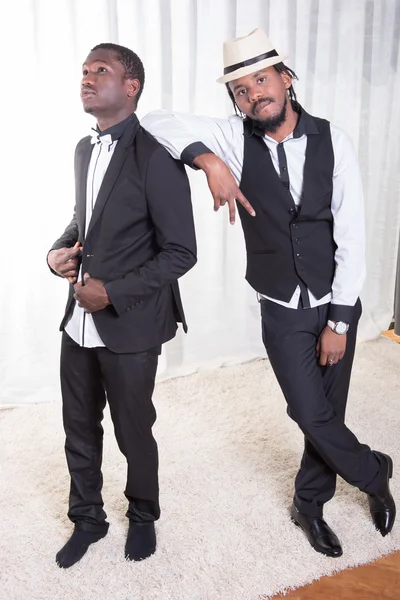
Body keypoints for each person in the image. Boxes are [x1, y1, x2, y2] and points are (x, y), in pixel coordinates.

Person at [141, 28, 396, 557]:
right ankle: (375, 471)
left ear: (286, 78)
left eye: (262, 79)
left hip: (334, 302)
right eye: (240, 89)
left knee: (327, 412)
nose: (254, 93)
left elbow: (351, 234)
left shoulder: (334, 140)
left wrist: (340, 322)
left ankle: (309, 501)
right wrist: (207, 161)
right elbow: (153, 120)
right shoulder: (232, 138)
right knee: (309, 411)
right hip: (281, 308)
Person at [48, 42, 197, 568]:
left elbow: (183, 251)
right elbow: (83, 219)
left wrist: (111, 291)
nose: (87, 79)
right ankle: (87, 518)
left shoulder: (157, 155)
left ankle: (143, 516)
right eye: (84, 71)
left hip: (132, 322)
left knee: (135, 430)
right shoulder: (83, 150)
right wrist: (57, 251)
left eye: (100, 71)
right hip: (78, 325)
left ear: (130, 86)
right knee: (78, 428)